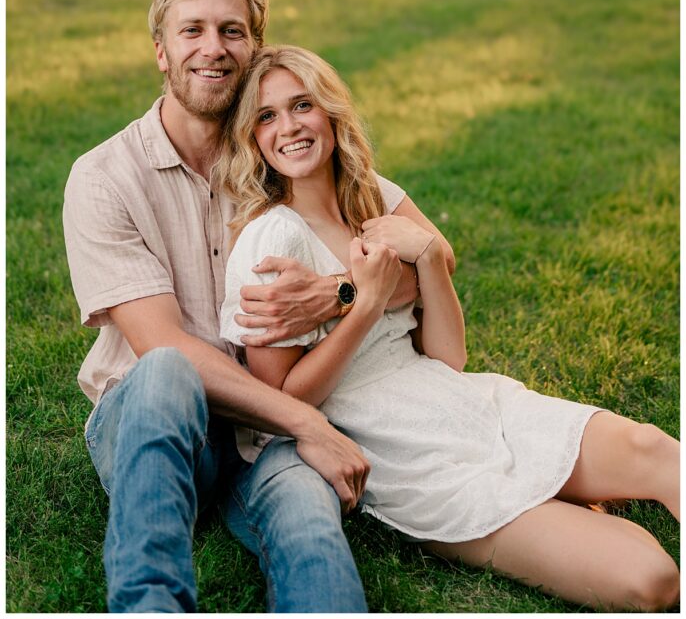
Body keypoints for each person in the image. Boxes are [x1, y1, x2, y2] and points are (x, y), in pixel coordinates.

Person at [220, 44, 680, 613]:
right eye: (267, 117)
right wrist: (365, 304)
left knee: (658, 450)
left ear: (331, 113)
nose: (288, 127)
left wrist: (431, 261)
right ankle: (559, 507)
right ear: (253, 138)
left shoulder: (374, 195)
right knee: (650, 578)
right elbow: (282, 401)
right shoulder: (273, 238)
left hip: (459, 400)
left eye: (302, 105)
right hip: (400, 451)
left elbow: (448, 357)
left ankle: (564, 491)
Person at [63, 0, 449, 613]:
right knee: (163, 374)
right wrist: (309, 422)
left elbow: (429, 254)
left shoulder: (288, 152)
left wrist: (341, 292)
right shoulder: (103, 178)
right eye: (192, 31)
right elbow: (164, 346)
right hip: (158, 425)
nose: (212, 48)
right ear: (161, 51)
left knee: (308, 524)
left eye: (232, 31)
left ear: (255, 47)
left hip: (265, 436)